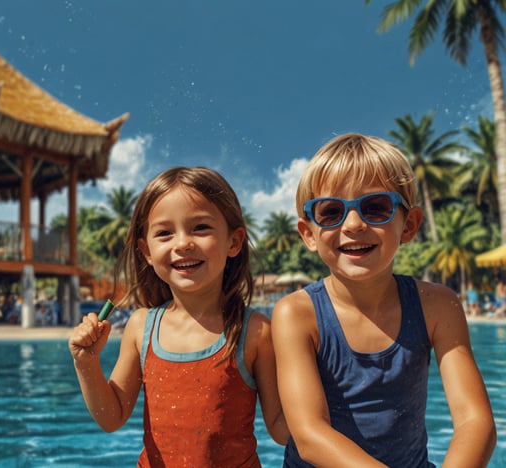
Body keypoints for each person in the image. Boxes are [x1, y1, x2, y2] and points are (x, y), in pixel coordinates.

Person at [271, 133, 496, 467]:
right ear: (309, 234)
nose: (354, 224)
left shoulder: (437, 306)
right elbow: (309, 435)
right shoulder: (297, 314)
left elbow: (474, 420)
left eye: (376, 208)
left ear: (409, 225)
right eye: (331, 212)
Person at [69, 166, 288, 466]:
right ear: (146, 251)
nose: (182, 243)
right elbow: (112, 417)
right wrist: (87, 364)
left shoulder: (255, 332)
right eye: (164, 233)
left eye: (200, 228)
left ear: (234, 242)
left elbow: (280, 428)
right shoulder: (141, 326)